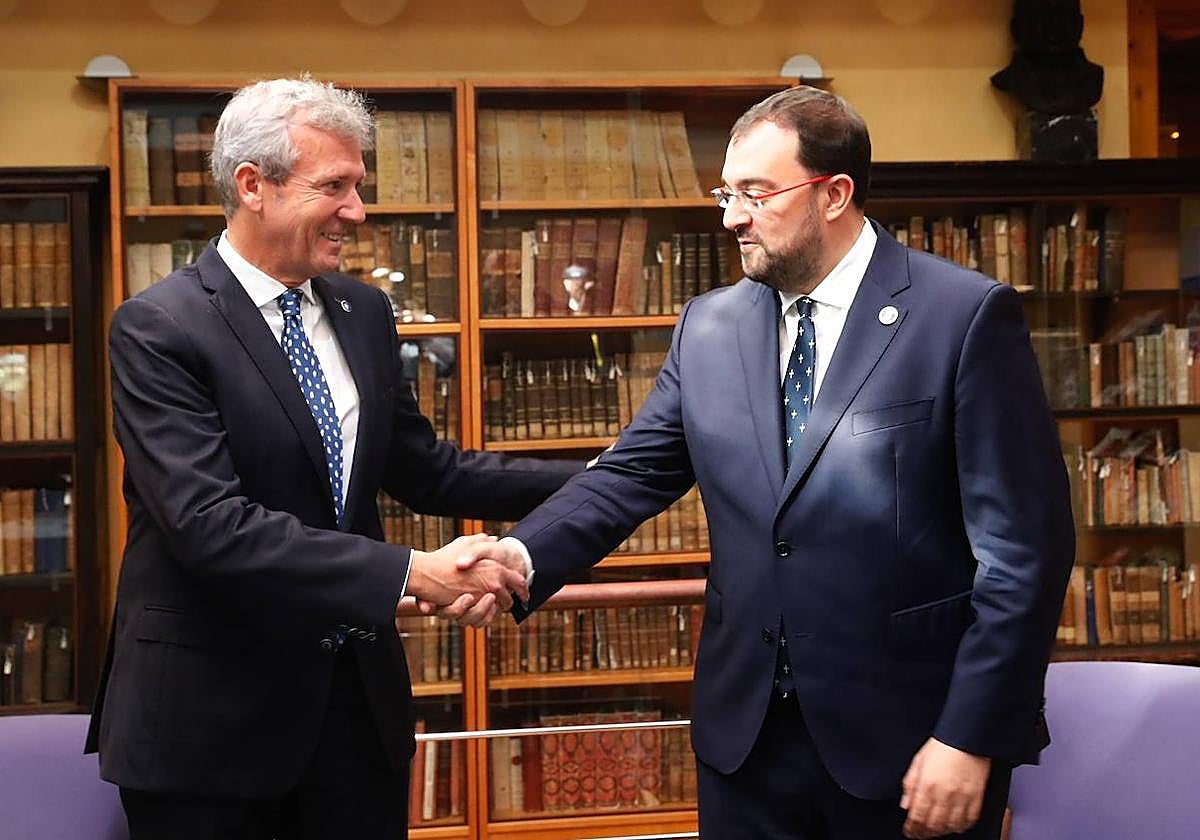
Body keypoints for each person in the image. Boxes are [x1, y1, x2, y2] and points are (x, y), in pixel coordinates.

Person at [449, 86, 1075, 839]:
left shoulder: (962, 317)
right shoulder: (708, 325)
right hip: (744, 745)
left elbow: (1022, 555)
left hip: (910, 743)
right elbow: (631, 474)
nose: (730, 215)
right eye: (726, 191)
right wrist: (518, 557)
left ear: (835, 193)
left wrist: (971, 734)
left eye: (755, 192)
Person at [85, 76, 578, 839]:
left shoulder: (364, 311)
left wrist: (612, 474)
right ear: (253, 185)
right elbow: (210, 525)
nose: (358, 209)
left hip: (354, 716)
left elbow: (424, 469)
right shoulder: (158, 330)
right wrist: (415, 572)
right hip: (207, 726)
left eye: (359, 184)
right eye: (335, 186)